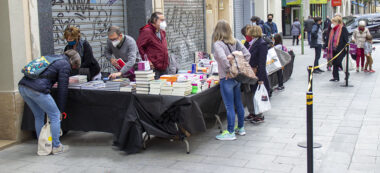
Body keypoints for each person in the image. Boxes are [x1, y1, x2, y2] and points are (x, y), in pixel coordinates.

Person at [18, 50, 81, 155]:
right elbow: (63, 88)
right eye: (74, 67)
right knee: (55, 115)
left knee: (38, 115)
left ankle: (42, 145)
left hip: (23, 86)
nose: (72, 70)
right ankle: (56, 146)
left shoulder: (52, 57)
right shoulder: (65, 65)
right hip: (37, 89)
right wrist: (61, 110)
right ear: (73, 62)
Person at [213, 20, 250, 140]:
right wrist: (237, 64)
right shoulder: (236, 41)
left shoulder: (218, 44)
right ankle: (241, 128)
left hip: (227, 77)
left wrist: (229, 70)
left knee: (229, 106)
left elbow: (223, 59)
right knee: (238, 103)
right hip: (237, 78)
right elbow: (247, 55)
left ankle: (230, 132)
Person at [244, 25, 270, 123]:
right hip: (249, 73)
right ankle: (252, 112)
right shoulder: (250, 43)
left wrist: (261, 79)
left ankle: (259, 115)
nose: (247, 34)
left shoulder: (261, 44)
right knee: (249, 93)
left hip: (257, 73)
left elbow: (262, 63)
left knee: (256, 94)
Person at [137, 12, 169, 79]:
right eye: (161, 20)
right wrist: (147, 60)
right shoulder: (147, 31)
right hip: (154, 68)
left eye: (164, 20)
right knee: (156, 88)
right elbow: (139, 47)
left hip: (164, 66)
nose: (164, 22)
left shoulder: (162, 32)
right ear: (155, 20)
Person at [326, 16, 349, 82]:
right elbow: (329, 39)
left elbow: (345, 39)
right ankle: (336, 77)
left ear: (337, 22)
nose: (332, 23)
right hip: (333, 49)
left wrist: (343, 47)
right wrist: (325, 46)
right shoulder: (332, 30)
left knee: (338, 62)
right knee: (334, 63)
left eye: (333, 22)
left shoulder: (343, 29)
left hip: (341, 49)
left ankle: (346, 73)